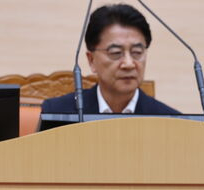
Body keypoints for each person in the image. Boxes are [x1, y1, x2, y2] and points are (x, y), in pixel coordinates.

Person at [42, 4, 179, 115]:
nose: (128, 64)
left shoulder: (169, 121)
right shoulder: (57, 112)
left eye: (137, 52)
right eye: (116, 53)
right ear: (91, 60)